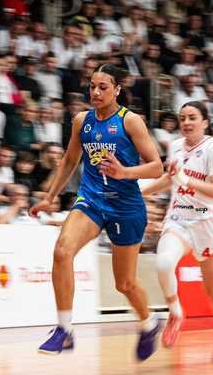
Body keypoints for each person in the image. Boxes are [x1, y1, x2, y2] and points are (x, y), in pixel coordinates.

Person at [30, 64, 164, 359]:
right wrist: (49, 197)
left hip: (126, 206)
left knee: (124, 284)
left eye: (103, 87)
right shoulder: (82, 120)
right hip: (92, 200)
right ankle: (64, 329)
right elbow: (69, 161)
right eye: (92, 86)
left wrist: (125, 172)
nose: (96, 92)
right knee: (62, 251)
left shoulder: (131, 122)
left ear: (117, 90)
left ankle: (149, 323)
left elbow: (157, 167)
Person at [141, 101, 213, 361]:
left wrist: (186, 180)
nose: (186, 122)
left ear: (205, 122)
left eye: (192, 117)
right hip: (179, 218)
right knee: (163, 263)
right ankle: (175, 312)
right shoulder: (174, 146)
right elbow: (169, 179)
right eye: (182, 118)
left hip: (207, 221)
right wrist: (140, 191)